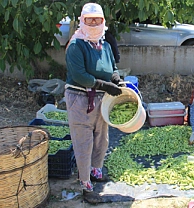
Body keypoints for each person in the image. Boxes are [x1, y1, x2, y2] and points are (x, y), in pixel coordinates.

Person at [65, 2, 124, 202]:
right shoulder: (76, 45)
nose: (93, 23)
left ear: (102, 21)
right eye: (88, 20)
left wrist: (116, 78)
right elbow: (79, 75)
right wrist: (105, 85)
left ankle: (95, 172)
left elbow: (112, 66)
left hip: (101, 98)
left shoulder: (104, 44)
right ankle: (85, 184)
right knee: (84, 142)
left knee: (101, 137)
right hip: (80, 98)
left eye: (96, 19)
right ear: (82, 21)